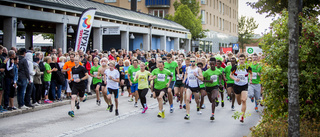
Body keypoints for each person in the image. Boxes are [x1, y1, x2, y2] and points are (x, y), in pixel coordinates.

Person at [230, 54, 253, 123]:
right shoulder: (235, 67)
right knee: (239, 102)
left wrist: (250, 79)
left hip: (244, 85)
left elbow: (251, 73)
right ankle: (238, 100)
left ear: (245, 60)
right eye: (240, 59)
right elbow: (230, 75)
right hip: (237, 86)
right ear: (238, 60)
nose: (241, 61)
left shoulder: (247, 67)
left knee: (244, 100)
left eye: (243, 59)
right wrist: (235, 78)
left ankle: (242, 116)